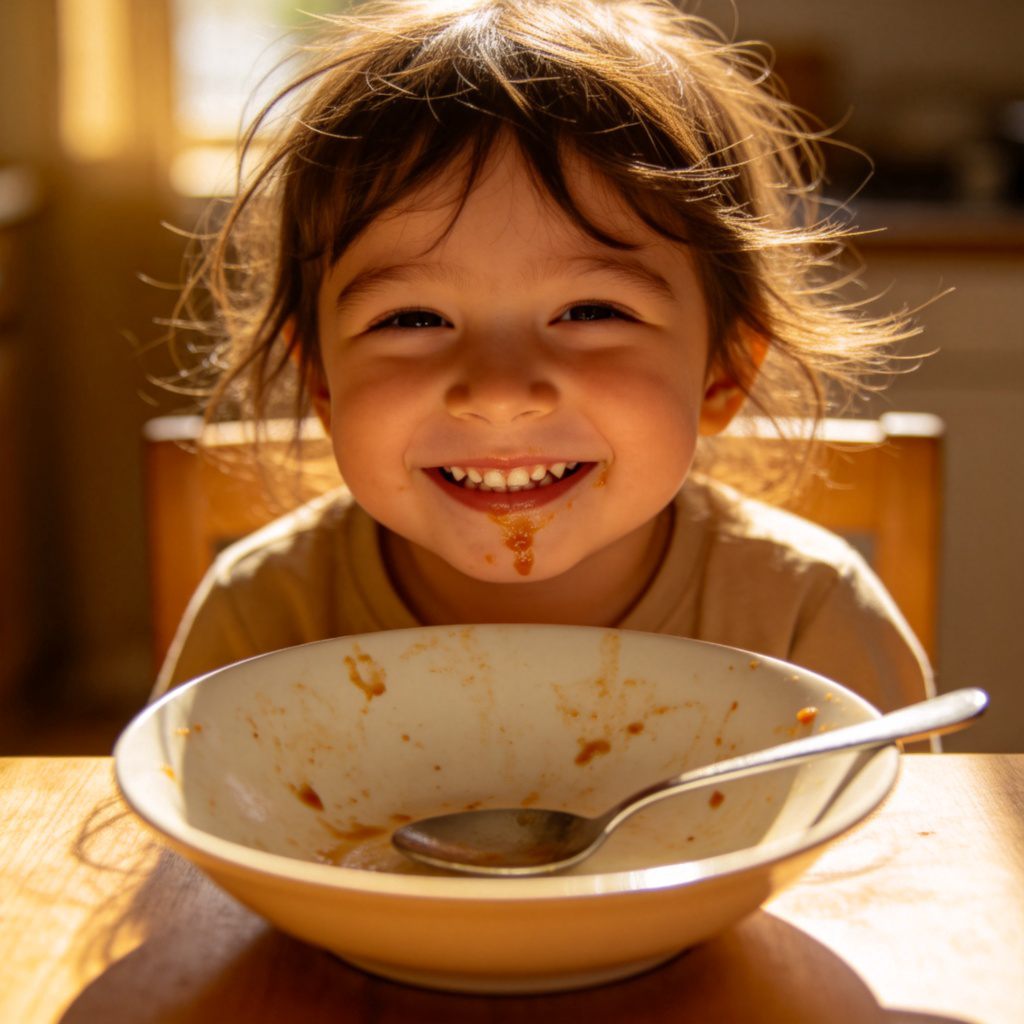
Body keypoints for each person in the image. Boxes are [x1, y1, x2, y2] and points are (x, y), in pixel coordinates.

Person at [152, 0, 932, 711]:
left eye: (591, 311)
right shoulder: (263, 618)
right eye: (414, 318)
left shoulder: (807, 617)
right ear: (321, 380)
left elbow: (893, 861)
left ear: (723, 371)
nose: (498, 393)